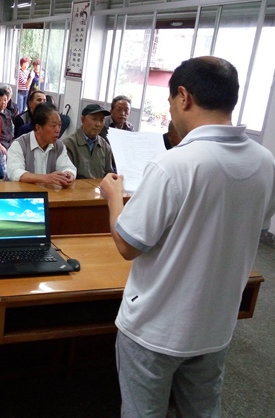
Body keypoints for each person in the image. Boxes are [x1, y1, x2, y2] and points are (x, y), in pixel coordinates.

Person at [98, 56, 275, 417]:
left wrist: (114, 197)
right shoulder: (265, 162)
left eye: (169, 101)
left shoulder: (174, 165)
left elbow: (128, 244)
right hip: (215, 325)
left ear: (184, 97)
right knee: (202, 409)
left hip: (155, 328)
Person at [6, 103, 76, 188]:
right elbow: (15, 172)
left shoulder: (59, 146)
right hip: (21, 193)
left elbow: (68, 167)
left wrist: (68, 174)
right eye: (53, 126)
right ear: (38, 128)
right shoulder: (19, 144)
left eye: (59, 125)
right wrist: (45, 178)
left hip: (48, 193)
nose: (58, 130)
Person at [63, 104, 114, 179]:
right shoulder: (68, 144)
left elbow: (109, 174)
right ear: (83, 119)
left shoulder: (105, 146)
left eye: (101, 120)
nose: (98, 124)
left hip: (100, 186)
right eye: (94, 119)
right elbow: (67, 175)